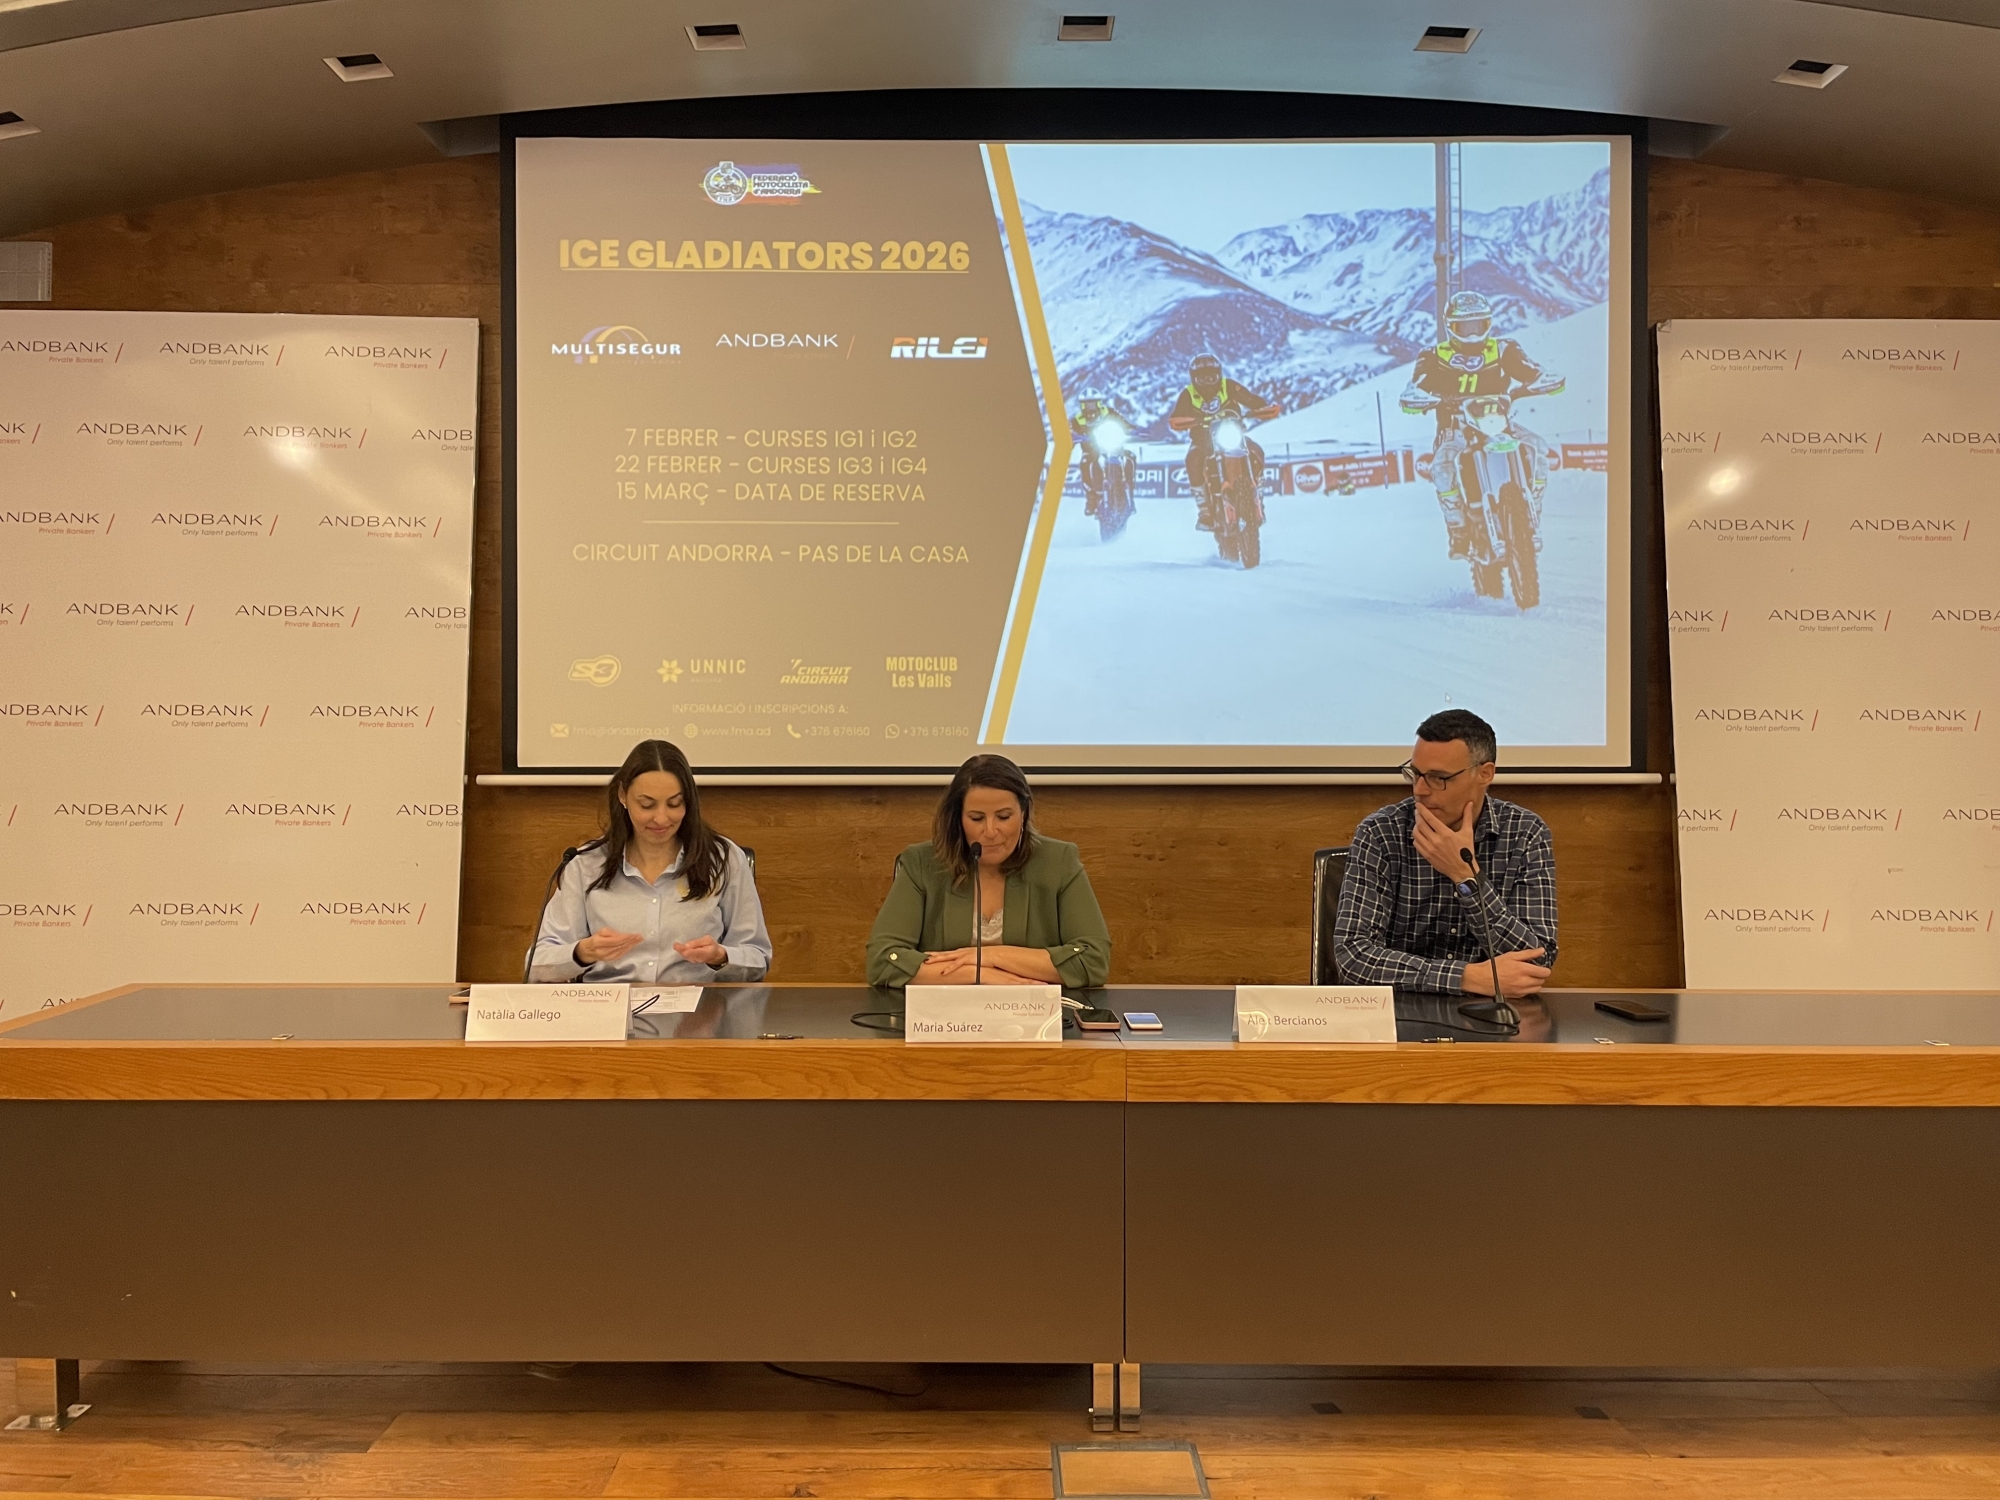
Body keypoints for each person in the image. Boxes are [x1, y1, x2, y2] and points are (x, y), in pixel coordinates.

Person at [1332, 709, 1557, 1001]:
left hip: (1491, 1011)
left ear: (1485, 773)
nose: (1420, 790)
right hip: (1401, 1008)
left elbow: (1537, 960)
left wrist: (1464, 876)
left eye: (1438, 778)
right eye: (1415, 773)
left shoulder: (1525, 833)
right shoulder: (1380, 832)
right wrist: (1466, 977)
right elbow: (1353, 957)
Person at [529, 738, 771, 984]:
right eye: (647, 805)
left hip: (699, 1004)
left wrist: (721, 957)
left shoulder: (724, 860)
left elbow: (758, 958)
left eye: (674, 804)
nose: (661, 818)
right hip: (610, 1003)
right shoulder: (586, 864)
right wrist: (582, 953)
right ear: (623, 796)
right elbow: (536, 966)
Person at [866, 754, 1110, 988]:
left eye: (1003, 817)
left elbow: (1093, 961)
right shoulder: (922, 863)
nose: (991, 831)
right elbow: (883, 961)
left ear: (1023, 814)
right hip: (944, 1011)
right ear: (958, 819)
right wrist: (978, 974)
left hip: (1033, 1010)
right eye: (976, 818)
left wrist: (992, 956)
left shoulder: (1058, 861)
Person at [1400, 291, 1561, 559]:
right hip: (1455, 426)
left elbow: (1530, 370)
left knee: (1538, 447)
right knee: (1442, 466)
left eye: (1478, 325)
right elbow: (1415, 386)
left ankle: (1532, 509)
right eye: (1465, 327)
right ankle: (1458, 528)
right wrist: (1418, 397)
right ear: (1451, 327)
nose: (1472, 334)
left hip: (1499, 423)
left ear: (1488, 323)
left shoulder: (1504, 348)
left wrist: (1542, 380)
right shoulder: (1433, 356)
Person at [1166, 353, 1280, 532]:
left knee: (1256, 450)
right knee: (1192, 460)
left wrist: (1262, 408)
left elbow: (1250, 399)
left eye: (1211, 376)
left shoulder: (1229, 386)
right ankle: (1204, 509)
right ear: (1194, 378)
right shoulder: (1188, 394)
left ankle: (1257, 491)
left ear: (1219, 374)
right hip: (1203, 440)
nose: (1208, 381)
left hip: (1233, 435)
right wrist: (1183, 421)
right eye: (1202, 378)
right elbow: (1177, 416)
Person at [1070, 392, 1139, 517]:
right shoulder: (1077, 419)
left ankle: (1130, 488)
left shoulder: (1109, 412)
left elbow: (1123, 422)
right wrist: (1073, 438)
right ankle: (1091, 499)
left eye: (1093, 402)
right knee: (1085, 463)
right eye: (1087, 403)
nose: (1090, 406)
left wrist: (1133, 429)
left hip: (1113, 446)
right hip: (1091, 450)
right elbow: (1070, 433)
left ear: (1099, 403)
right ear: (1082, 405)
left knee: (1131, 457)